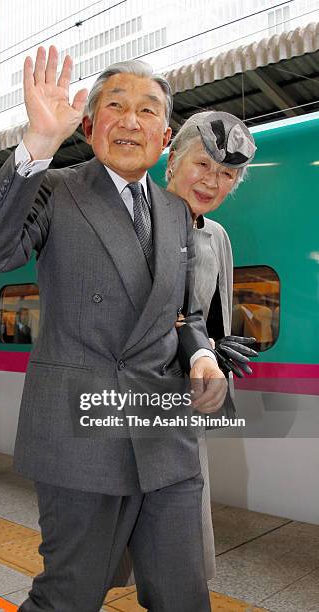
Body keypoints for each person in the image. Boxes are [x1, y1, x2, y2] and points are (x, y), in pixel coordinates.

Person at [0, 46, 227, 612]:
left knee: (185, 597)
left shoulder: (178, 212)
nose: (132, 120)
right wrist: (36, 145)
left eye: (149, 110)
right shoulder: (56, 189)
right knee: (70, 596)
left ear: (165, 134)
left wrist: (202, 355)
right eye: (116, 105)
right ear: (88, 124)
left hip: (164, 436)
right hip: (81, 435)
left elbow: (185, 314)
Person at [166, 110, 258, 579]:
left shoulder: (217, 237)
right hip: (121, 404)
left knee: (184, 541)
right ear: (172, 161)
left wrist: (218, 351)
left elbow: (212, 320)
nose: (211, 181)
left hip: (181, 407)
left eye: (226, 174)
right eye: (202, 164)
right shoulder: (129, 221)